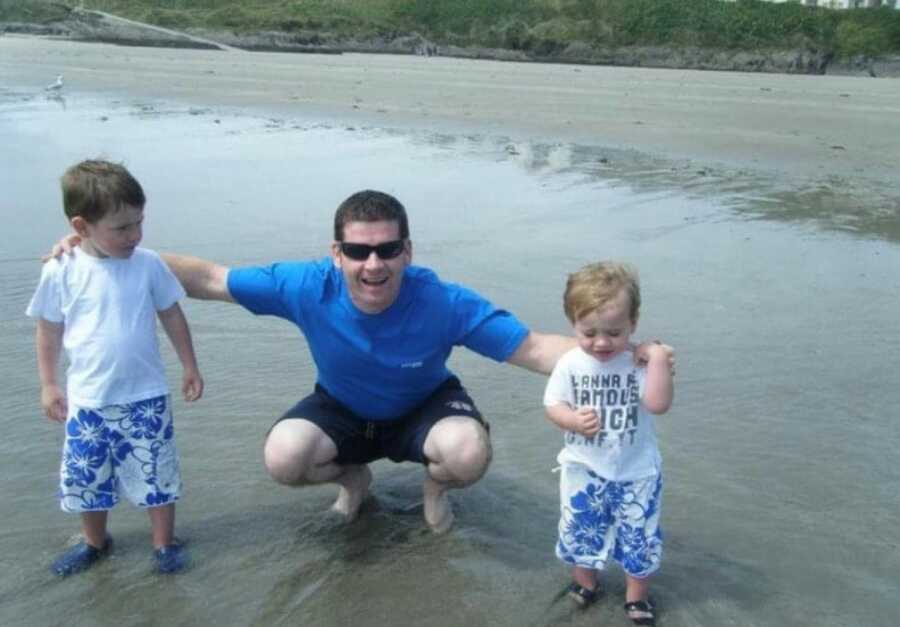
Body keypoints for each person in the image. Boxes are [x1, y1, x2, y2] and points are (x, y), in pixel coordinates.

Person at [51, 190, 669, 534]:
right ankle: (354, 479)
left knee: (468, 454)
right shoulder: (304, 285)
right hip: (342, 407)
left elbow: (533, 348)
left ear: (407, 249)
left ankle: (433, 488)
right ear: (337, 252)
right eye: (358, 249)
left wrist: (625, 355)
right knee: (283, 458)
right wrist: (109, 250)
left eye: (387, 249)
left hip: (424, 407)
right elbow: (208, 278)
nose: (373, 263)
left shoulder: (442, 300)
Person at [28, 160, 204, 576]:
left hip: (145, 396)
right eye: (121, 228)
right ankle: (95, 542)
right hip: (88, 402)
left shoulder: (147, 264)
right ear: (82, 226)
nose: (135, 235)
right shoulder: (61, 269)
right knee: (88, 480)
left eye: (139, 223)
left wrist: (189, 366)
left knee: (157, 475)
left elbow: (172, 315)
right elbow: (48, 330)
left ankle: (163, 544)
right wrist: (49, 384)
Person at [543, 261, 674, 626]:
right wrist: (570, 420)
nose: (602, 342)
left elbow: (658, 405)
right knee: (582, 529)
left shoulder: (639, 362)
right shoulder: (570, 364)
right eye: (590, 332)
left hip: (637, 472)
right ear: (573, 324)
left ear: (633, 324)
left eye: (614, 332)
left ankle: (636, 598)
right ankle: (586, 584)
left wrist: (659, 358)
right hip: (583, 469)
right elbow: (552, 405)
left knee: (639, 537)